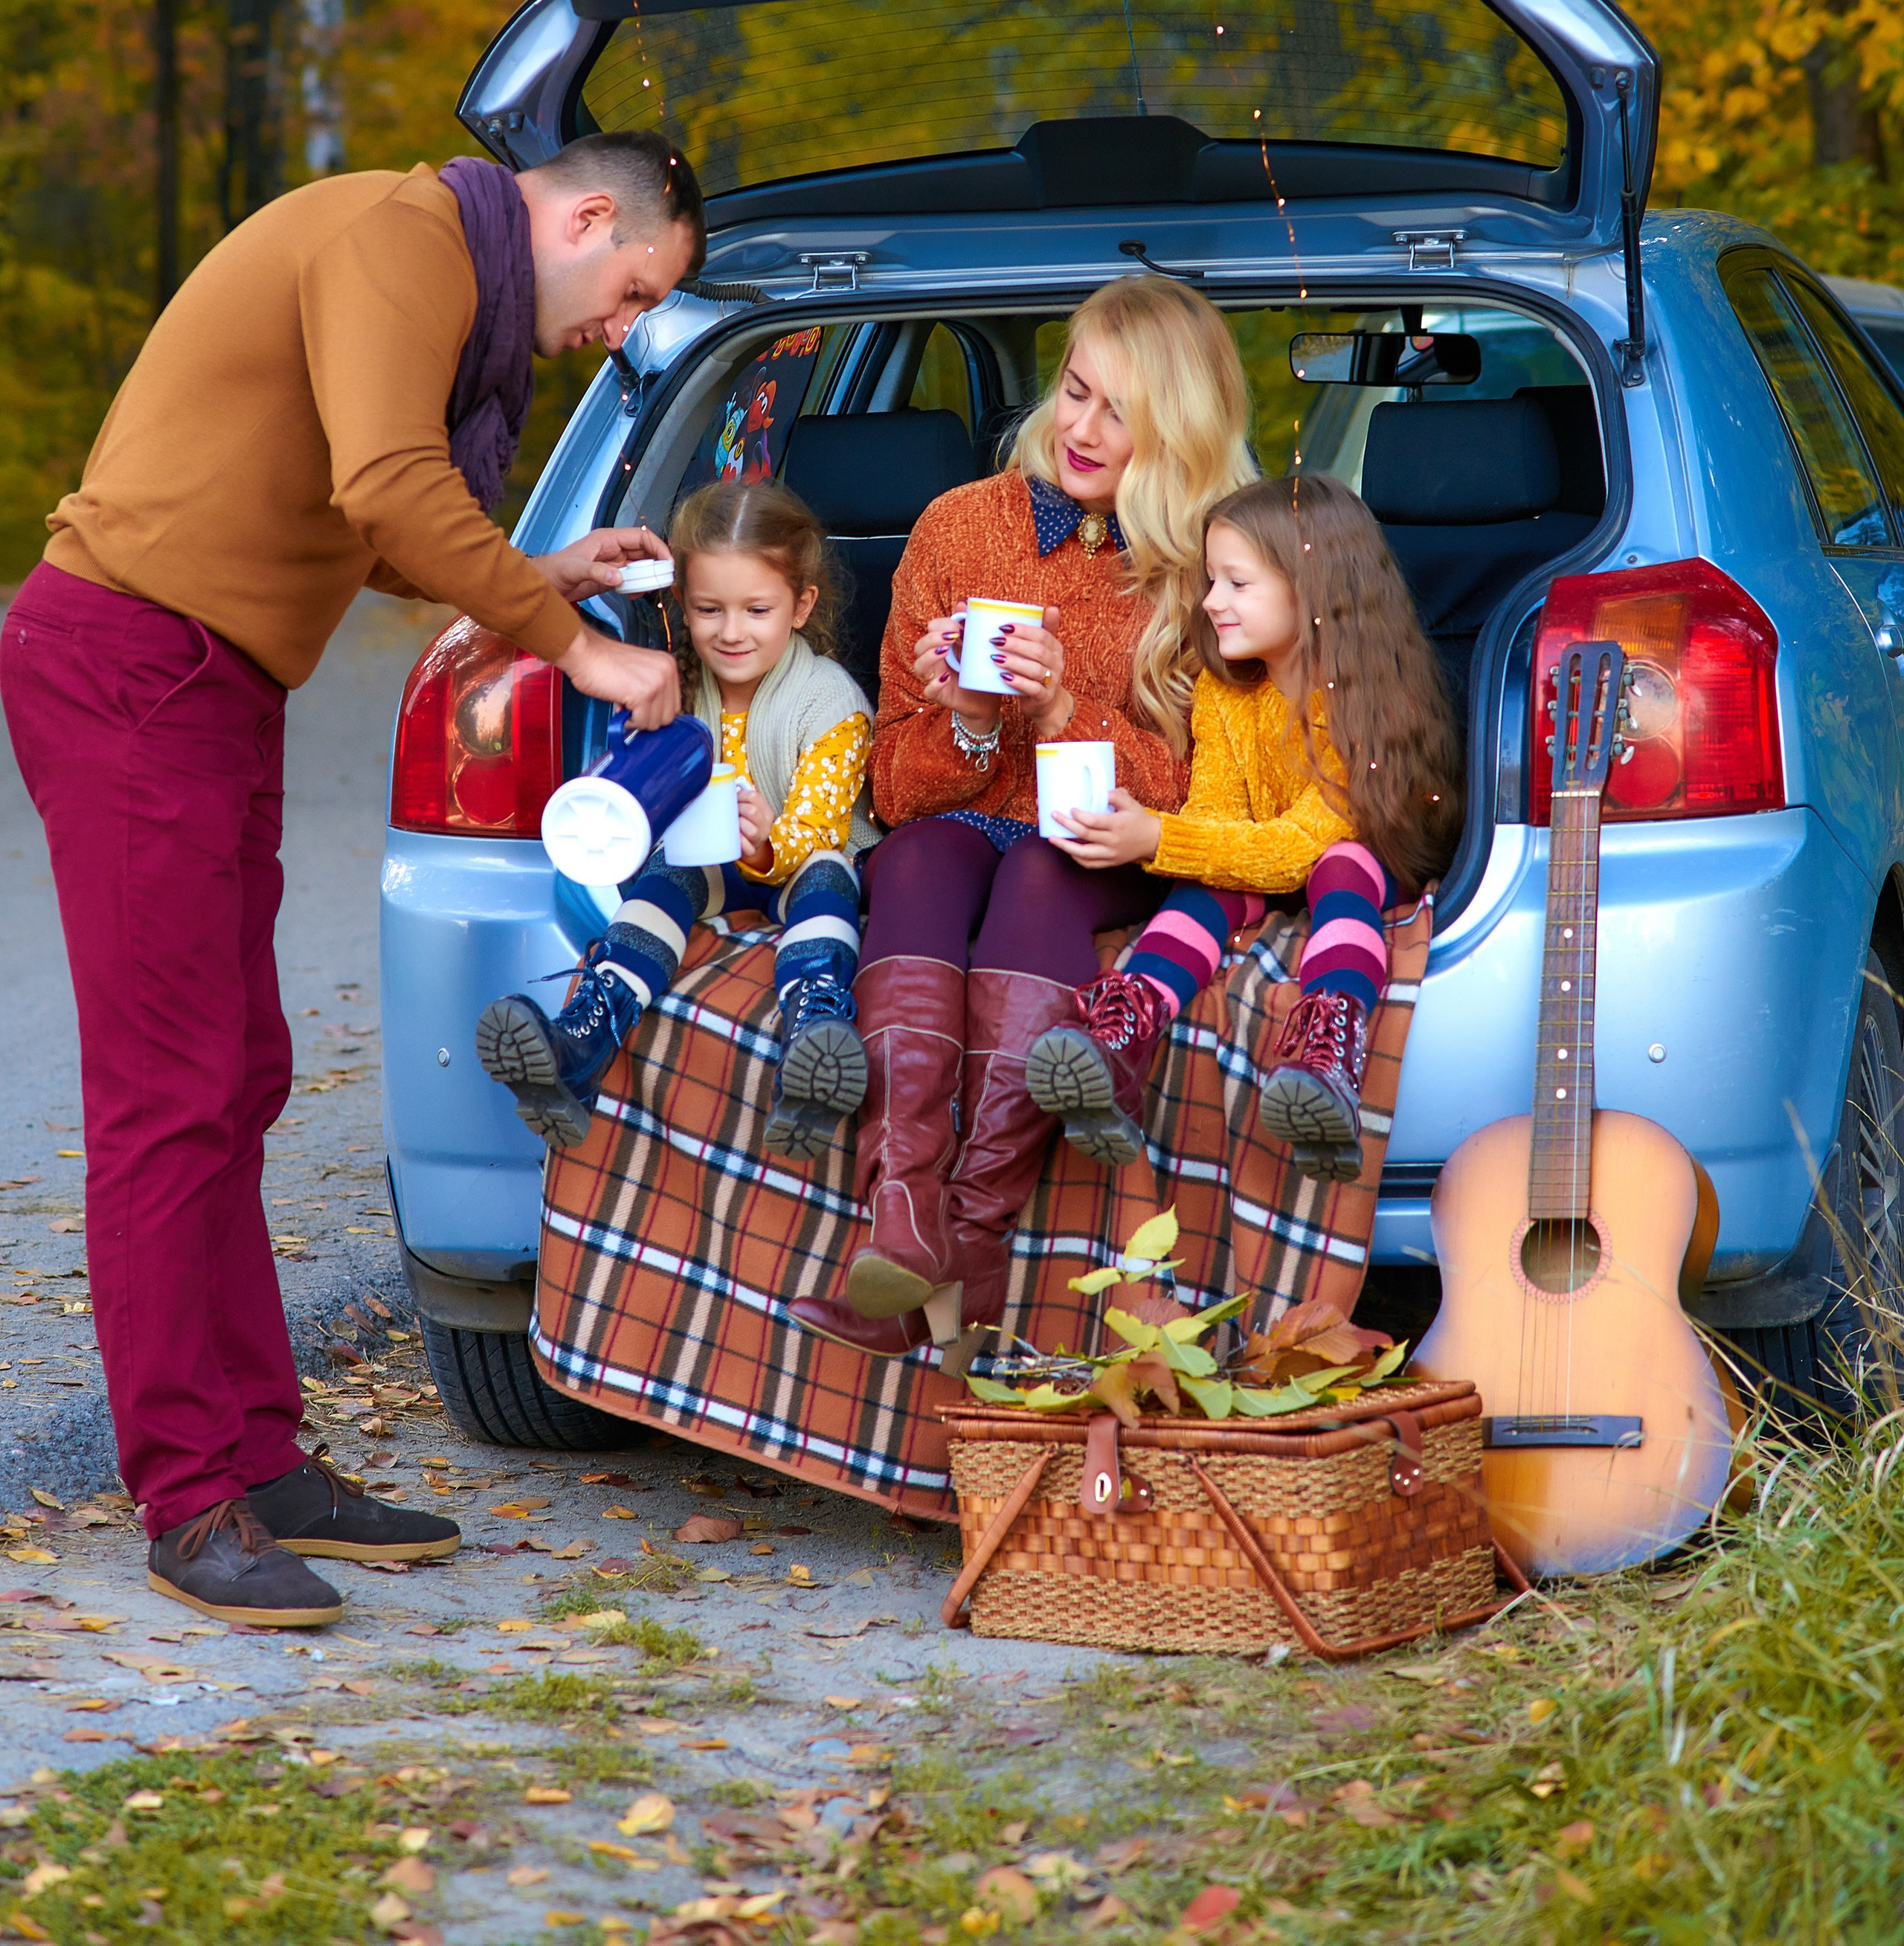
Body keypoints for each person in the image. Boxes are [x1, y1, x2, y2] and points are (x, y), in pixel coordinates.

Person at [0, 132, 701, 1627]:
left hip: (207, 678)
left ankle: (257, 1455)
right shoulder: (404, 240)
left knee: (239, 1072)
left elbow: (355, 508)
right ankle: (190, 1498)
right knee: (168, 1095)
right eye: (635, 285)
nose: (621, 328)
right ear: (584, 216)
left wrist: (545, 569)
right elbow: (388, 485)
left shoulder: (432, 264)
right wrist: (579, 645)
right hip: (129, 664)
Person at [787, 271, 1255, 1360]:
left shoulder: (1205, 562)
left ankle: (976, 1234)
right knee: (912, 859)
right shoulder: (960, 525)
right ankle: (900, 1224)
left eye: (1119, 413)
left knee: (1038, 869)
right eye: (1076, 391)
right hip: (958, 818)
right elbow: (893, 789)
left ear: (1178, 431)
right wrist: (970, 719)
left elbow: (1192, 792)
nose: (1081, 429)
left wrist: (1059, 710)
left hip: (1103, 839)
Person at [1029, 471, 1462, 1181]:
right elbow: (1217, 822)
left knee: (1342, 865)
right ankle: (1123, 1030)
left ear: (1312, 588)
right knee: (1204, 888)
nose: (1210, 601)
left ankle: (1330, 1042)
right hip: (1267, 861)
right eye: (1211, 580)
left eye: (1236, 583)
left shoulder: (1357, 698)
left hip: (1360, 857)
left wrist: (1159, 839)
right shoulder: (1223, 690)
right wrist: (1159, 839)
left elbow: (1304, 845)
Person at [477, 480, 876, 1159]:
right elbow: (637, 776)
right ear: (682, 607)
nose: (731, 631)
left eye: (757, 609)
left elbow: (821, 823)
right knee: (666, 876)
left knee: (830, 873)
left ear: (801, 605)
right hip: (714, 864)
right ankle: (583, 1040)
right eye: (707, 609)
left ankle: (814, 1033)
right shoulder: (681, 685)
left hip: (798, 861)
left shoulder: (831, 702)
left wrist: (767, 842)